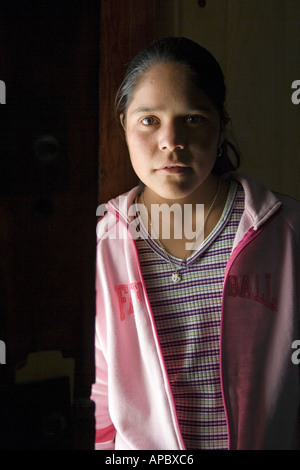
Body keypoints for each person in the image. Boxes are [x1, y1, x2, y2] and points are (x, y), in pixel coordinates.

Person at [91, 37, 300, 450]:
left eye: (193, 119)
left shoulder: (286, 230)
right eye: (149, 119)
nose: (172, 141)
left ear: (221, 126)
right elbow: (97, 391)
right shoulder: (101, 242)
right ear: (124, 125)